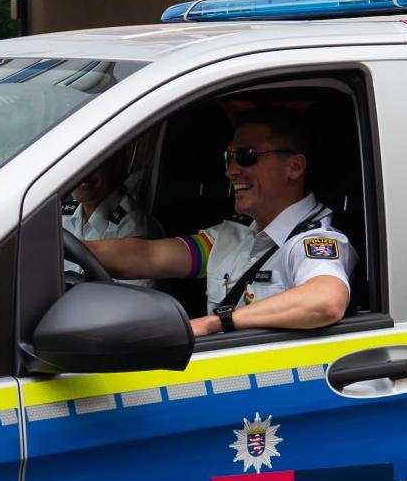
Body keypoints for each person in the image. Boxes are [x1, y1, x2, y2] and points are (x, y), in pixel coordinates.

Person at [86, 108, 356, 337]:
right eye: (229, 157)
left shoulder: (314, 241)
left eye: (247, 156)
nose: (231, 170)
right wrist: (60, 247)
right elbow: (149, 256)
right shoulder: (230, 235)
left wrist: (218, 321)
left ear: (294, 167)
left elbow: (327, 301)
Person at [62, 152, 156, 286]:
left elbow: (135, 302)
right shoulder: (62, 213)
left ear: (115, 164)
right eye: (76, 161)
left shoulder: (131, 228)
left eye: (94, 161)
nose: (83, 171)